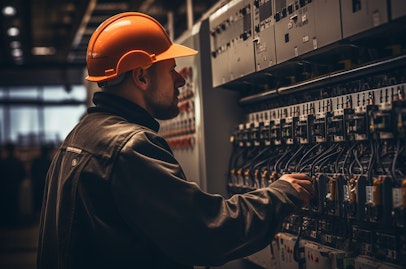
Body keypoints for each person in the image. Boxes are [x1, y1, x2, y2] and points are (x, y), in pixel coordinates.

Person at [37, 12, 315, 269]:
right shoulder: (130, 148)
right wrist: (281, 194)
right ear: (142, 76)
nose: (180, 81)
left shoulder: (80, 135)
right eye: (171, 69)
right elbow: (206, 232)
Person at [0, 143, 26, 227]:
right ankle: (14, 223)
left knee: (5, 204)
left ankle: (6, 222)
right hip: (15, 187)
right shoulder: (17, 162)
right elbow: (23, 175)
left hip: (4, 188)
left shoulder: (3, 163)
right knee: (14, 205)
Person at [30, 144, 53, 217]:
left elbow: (32, 171)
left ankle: (37, 214)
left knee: (37, 200)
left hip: (36, 183)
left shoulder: (36, 160)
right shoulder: (49, 161)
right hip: (45, 183)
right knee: (45, 199)